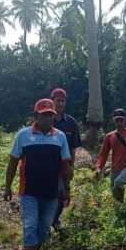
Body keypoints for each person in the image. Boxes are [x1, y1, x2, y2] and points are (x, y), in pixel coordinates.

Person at [4, 98, 72, 250]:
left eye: (50, 115)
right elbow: (12, 162)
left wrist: (66, 189)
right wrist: (7, 186)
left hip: (51, 192)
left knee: (44, 228)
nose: (48, 119)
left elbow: (65, 165)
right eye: (44, 115)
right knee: (30, 224)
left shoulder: (60, 137)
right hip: (29, 191)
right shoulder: (23, 135)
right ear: (36, 116)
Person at [51, 87, 82, 229]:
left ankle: (54, 220)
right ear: (52, 101)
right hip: (47, 164)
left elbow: (73, 147)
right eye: (58, 101)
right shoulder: (46, 120)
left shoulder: (71, 123)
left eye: (63, 101)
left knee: (63, 195)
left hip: (64, 165)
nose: (60, 104)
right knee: (48, 194)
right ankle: (47, 222)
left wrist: (72, 166)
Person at [96, 108, 126, 202]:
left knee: (118, 182)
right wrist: (99, 167)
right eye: (117, 120)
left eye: (121, 120)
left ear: (125, 120)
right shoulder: (109, 136)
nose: (119, 122)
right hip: (115, 168)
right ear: (113, 120)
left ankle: (125, 203)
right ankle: (122, 209)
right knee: (115, 196)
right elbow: (103, 154)